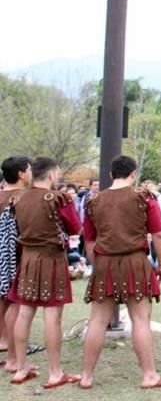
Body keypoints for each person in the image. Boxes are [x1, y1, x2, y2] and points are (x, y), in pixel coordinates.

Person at [80, 155, 161, 390]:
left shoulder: (94, 201)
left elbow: (89, 241)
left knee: (97, 320)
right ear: (133, 174)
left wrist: (96, 265)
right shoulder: (144, 198)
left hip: (104, 263)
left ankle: (86, 376)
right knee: (140, 319)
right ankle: (149, 375)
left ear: (111, 175)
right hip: (136, 262)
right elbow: (160, 235)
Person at [9, 157, 82, 388]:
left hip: (28, 258)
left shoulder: (18, 198)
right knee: (53, 316)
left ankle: (20, 368)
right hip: (51, 259)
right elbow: (75, 227)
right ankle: (55, 372)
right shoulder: (58, 198)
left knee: (24, 312)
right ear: (51, 175)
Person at [0, 156, 33, 376]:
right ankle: (11, 346)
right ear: (21, 174)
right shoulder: (23, 198)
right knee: (15, 304)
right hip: (17, 255)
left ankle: (3, 338)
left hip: (3, 255)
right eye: (29, 169)